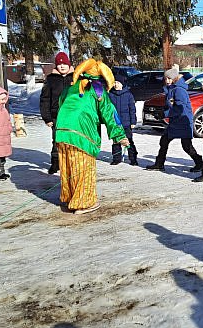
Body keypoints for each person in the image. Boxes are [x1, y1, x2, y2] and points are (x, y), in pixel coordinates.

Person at [55, 59, 129, 214]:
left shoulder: (71, 87)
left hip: (62, 131)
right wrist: (120, 135)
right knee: (83, 169)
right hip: (82, 133)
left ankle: (69, 198)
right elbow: (110, 113)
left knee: (68, 167)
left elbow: (61, 103)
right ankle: (84, 203)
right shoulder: (98, 89)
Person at [145, 65, 203, 172]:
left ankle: (199, 163)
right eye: (165, 78)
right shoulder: (172, 89)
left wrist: (165, 114)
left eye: (169, 78)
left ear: (174, 78)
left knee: (186, 146)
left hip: (183, 122)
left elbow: (179, 108)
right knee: (164, 141)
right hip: (175, 122)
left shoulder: (179, 90)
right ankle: (159, 163)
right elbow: (171, 105)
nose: (167, 80)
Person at [40, 52, 74, 174]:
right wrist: (47, 117)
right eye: (59, 64)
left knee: (72, 139)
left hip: (72, 116)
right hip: (57, 116)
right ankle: (55, 163)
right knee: (57, 140)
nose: (62, 66)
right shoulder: (50, 79)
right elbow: (45, 99)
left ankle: (70, 161)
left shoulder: (76, 78)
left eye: (64, 63)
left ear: (68, 64)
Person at [108, 74, 138, 165]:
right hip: (115, 123)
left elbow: (132, 110)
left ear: (122, 84)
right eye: (114, 82)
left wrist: (133, 121)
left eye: (118, 82)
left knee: (129, 141)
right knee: (116, 141)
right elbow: (108, 109)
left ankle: (133, 159)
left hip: (126, 123)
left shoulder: (128, 95)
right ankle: (116, 158)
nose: (116, 84)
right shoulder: (110, 95)